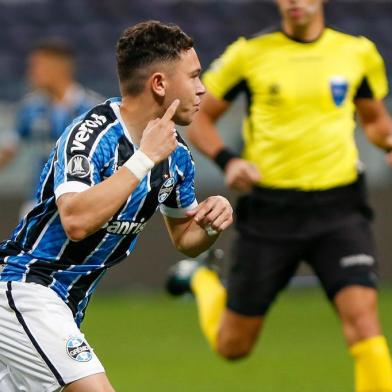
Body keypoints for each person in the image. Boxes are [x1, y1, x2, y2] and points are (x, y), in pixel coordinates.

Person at [166, 0, 392, 390]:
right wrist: (228, 160)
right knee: (232, 345)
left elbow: (374, 120)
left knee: (364, 323)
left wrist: (388, 142)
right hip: (271, 211)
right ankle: (202, 280)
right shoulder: (249, 55)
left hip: (340, 208)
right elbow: (200, 115)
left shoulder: (357, 52)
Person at [0, 21, 233, 392]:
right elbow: (75, 220)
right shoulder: (93, 134)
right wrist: (142, 159)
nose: (202, 88)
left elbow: (185, 238)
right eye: (193, 76)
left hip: (65, 305)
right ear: (159, 84)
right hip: (26, 289)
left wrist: (210, 221)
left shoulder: (176, 156)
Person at [0, 38, 103, 217]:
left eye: (37, 66)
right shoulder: (30, 108)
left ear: (59, 68)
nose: (31, 73)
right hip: (38, 203)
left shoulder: (92, 110)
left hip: (80, 203)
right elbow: (7, 149)